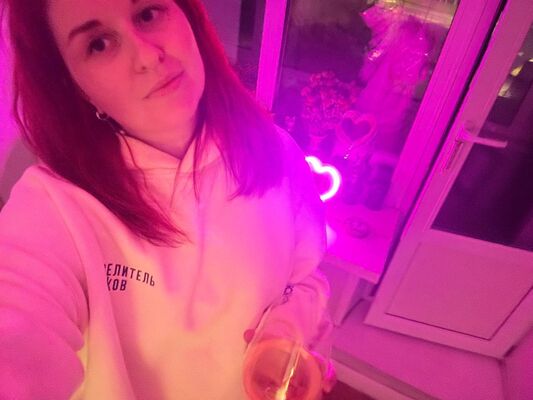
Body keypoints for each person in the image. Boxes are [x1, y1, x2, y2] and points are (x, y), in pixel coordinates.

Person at [0, 0, 334, 399]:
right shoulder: (54, 208)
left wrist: (284, 334)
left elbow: (306, 278)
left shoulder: (275, 151)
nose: (147, 55)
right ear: (75, 86)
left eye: (147, 14)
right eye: (99, 44)